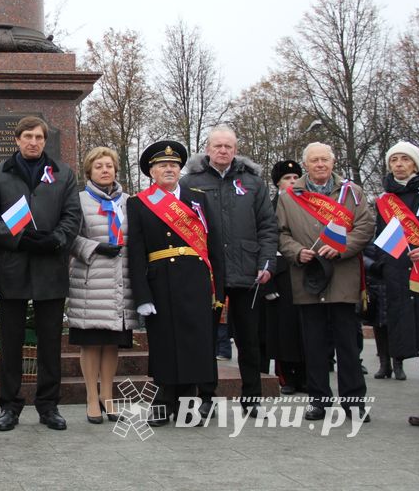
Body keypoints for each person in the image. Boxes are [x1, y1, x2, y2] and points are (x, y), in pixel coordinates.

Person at [0, 116, 81, 432]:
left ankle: (48, 405)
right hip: (12, 269)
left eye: (39, 137)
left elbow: (72, 216)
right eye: (27, 136)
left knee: (50, 343)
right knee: (10, 343)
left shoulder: (63, 174)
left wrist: (55, 240)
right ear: (17, 139)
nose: (33, 142)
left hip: (50, 268)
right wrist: (20, 238)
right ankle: (9, 406)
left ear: (45, 140)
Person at [181, 125, 277, 416]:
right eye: (217, 146)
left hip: (248, 270)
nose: (223, 151)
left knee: (248, 338)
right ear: (207, 148)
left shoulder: (253, 183)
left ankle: (252, 398)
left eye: (228, 147)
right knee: (206, 337)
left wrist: (267, 262)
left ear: (236, 150)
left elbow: (268, 226)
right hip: (207, 271)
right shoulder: (189, 182)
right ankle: (206, 396)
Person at [127, 140, 224, 426]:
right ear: (151, 172)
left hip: (196, 280)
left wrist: (220, 287)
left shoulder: (199, 199)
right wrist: (141, 294)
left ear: (180, 169)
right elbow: (136, 253)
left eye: (173, 165)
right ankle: (163, 401)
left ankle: (189, 405)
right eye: (161, 165)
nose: (168, 169)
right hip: (160, 281)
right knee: (164, 343)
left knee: (196, 342)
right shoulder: (139, 203)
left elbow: (214, 246)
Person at [276, 142, 374, 421]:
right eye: (314, 160)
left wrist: (343, 247)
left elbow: (366, 226)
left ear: (333, 162)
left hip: (343, 276)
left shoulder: (352, 193)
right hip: (308, 277)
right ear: (305, 164)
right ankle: (319, 400)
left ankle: (354, 402)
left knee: (347, 345)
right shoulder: (289, 196)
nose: (320, 165)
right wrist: (296, 251)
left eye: (324, 160)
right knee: (314, 344)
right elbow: (280, 233)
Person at [67, 146, 137, 424]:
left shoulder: (129, 202)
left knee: (112, 345)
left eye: (109, 165)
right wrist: (95, 247)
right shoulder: (79, 200)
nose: (105, 170)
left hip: (121, 283)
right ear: (89, 172)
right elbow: (69, 236)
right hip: (91, 283)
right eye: (99, 166)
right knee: (92, 344)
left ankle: (108, 397)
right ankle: (90, 398)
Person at [371, 142, 419, 424]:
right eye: (394, 160)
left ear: (416, 165)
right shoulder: (384, 200)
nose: (400, 164)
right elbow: (380, 238)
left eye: (406, 159)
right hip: (400, 278)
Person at [262, 160, 306, 395]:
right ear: (278, 183)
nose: (291, 182)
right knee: (283, 330)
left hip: (305, 270)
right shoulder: (270, 206)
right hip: (280, 273)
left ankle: (307, 376)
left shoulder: (308, 202)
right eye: (286, 178)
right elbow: (266, 240)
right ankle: (286, 376)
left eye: (294, 178)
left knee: (305, 328)